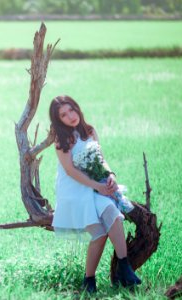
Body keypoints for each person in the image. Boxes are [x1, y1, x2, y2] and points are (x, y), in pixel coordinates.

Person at [49, 95, 141, 293]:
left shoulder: (89, 131)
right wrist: (97, 186)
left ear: (77, 108)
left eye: (71, 110)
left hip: (93, 187)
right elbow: (70, 171)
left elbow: (101, 159)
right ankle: (89, 281)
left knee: (114, 214)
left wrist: (110, 175)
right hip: (73, 190)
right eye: (63, 115)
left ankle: (124, 268)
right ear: (59, 120)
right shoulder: (61, 140)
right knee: (99, 234)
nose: (70, 116)